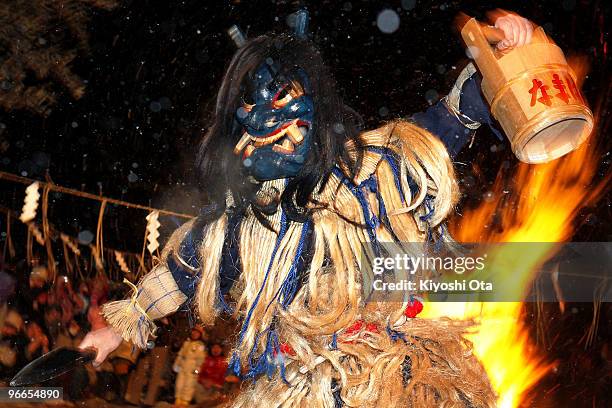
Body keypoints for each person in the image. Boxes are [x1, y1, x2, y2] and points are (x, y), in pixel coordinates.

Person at [80, 9, 534, 407]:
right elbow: (182, 272)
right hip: (294, 385)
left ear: (313, 106)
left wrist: (510, 50)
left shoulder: (377, 171)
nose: (264, 120)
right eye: (250, 108)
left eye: (280, 101)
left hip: (392, 377)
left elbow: (464, 108)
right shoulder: (241, 223)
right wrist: (116, 328)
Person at [172, 328, 207, 406]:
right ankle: (178, 399)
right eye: (194, 332)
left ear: (200, 335)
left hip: (192, 367)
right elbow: (180, 355)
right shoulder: (186, 343)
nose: (195, 334)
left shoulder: (200, 346)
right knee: (179, 383)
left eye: (197, 333)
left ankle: (185, 401)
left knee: (189, 384)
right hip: (183, 365)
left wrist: (197, 369)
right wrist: (177, 364)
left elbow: (201, 359)